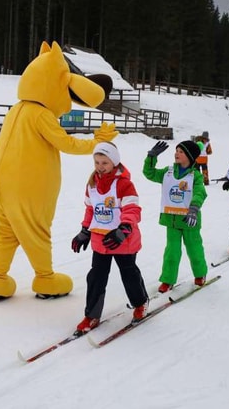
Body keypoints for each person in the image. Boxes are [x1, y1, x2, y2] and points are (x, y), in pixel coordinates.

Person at [71, 142, 148, 334]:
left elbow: (132, 210)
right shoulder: (92, 185)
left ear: (114, 162)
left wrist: (123, 228)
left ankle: (140, 303)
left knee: (129, 275)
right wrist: (85, 231)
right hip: (101, 242)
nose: (100, 166)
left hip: (123, 240)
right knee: (96, 277)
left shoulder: (124, 184)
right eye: (97, 162)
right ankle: (92, 315)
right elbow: (91, 209)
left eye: (104, 162)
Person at [143, 139, 208, 294]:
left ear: (190, 156)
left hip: (189, 220)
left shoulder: (196, 176)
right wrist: (151, 157)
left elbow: (200, 193)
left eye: (181, 151)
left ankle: (200, 274)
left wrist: (194, 208)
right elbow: (150, 173)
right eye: (176, 150)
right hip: (172, 219)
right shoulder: (168, 172)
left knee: (194, 249)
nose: (176, 154)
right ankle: (167, 279)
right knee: (171, 251)